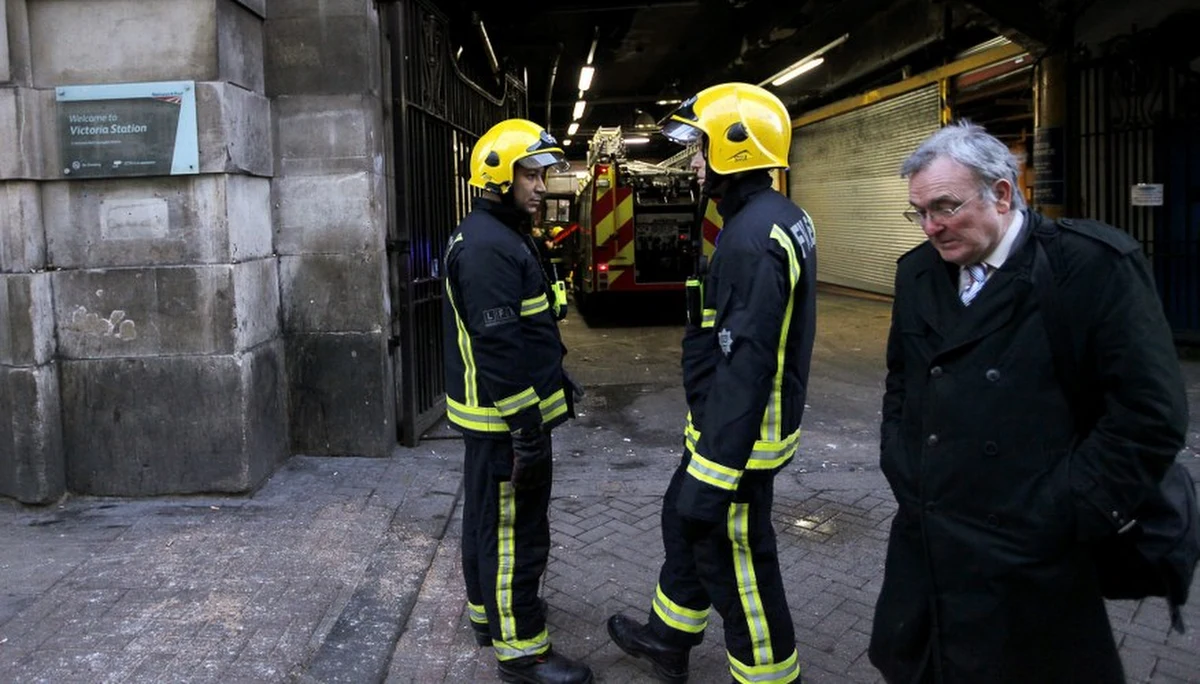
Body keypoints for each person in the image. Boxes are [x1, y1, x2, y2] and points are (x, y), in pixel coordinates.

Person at [869, 120, 1189, 683]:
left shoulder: (1090, 267)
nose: (931, 226)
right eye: (917, 212)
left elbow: (1150, 416)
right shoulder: (918, 273)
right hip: (929, 545)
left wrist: (1065, 510)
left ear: (1001, 192)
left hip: (1031, 557)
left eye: (944, 206)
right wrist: (901, 459)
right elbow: (903, 379)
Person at [607, 82, 817, 684]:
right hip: (728, 426)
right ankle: (668, 639)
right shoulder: (776, 218)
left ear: (735, 148)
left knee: (737, 561)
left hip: (739, 440)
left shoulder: (752, 240)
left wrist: (715, 470)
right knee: (685, 521)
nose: (695, 161)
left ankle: (769, 675)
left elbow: (747, 365)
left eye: (701, 149)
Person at [442, 118, 591, 684]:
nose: (541, 184)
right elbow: (500, 349)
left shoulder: (501, 235)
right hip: (506, 422)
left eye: (542, 174)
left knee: (487, 522)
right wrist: (527, 430)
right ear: (500, 178)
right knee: (515, 534)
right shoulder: (487, 247)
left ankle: (490, 618)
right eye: (530, 174)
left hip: (498, 418)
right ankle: (523, 651)